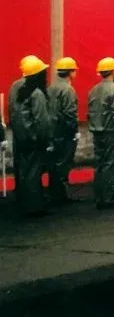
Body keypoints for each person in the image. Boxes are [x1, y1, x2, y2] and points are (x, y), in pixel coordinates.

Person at [11, 55, 52, 216]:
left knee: (22, 171)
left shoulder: (15, 87)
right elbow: (42, 120)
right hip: (34, 139)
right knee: (34, 172)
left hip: (19, 138)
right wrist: (46, 140)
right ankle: (35, 206)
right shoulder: (37, 92)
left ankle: (24, 202)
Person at [88, 57, 114, 209]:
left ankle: (99, 197)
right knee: (111, 165)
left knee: (99, 165)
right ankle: (109, 197)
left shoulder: (93, 90)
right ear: (113, 72)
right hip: (110, 132)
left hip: (96, 132)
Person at [46, 57, 79, 204]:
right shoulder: (68, 89)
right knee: (64, 163)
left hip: (52, 131)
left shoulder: (50, 88)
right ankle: (60, 195)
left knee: (54, 163)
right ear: (70, 72)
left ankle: (54, 193)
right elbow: (70, 113)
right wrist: (74, 131)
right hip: (64, 132)